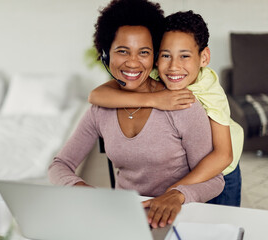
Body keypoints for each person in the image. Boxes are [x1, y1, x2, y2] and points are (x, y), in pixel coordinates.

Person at [48, 0, 224, 229]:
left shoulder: (181, 104)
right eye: (122, 51)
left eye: (144, 52)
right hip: (124, 219)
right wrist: (81, 190)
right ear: (105, 55)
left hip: (179, 219)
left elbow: (216, 180)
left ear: (154, 57)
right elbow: (59, 165)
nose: (132, 63)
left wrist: (177, 195)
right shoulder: (100, 110)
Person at [89, 10, 244, 207]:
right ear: (155, 57)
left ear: (204, 57)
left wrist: (174, 191)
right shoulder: (153, 75)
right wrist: (155, 100)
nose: (173, 67)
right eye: (165, 55)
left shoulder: (209, 89)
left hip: (221, 172)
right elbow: (96, 95)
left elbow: (223, 155)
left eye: (185, 56)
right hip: (185, 168)